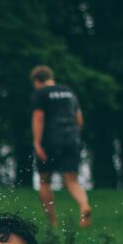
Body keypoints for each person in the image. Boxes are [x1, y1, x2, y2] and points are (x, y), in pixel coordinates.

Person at [30, 65, 92, 228]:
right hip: (72, 136)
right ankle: (84, 205)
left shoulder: (40, 93)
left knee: (44, 180)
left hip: (51, 137)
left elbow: (38, 117)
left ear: (37, 81)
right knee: (71, 180)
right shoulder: (69, 91)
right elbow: (79, 119)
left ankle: (53, 222)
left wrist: (37, 142)